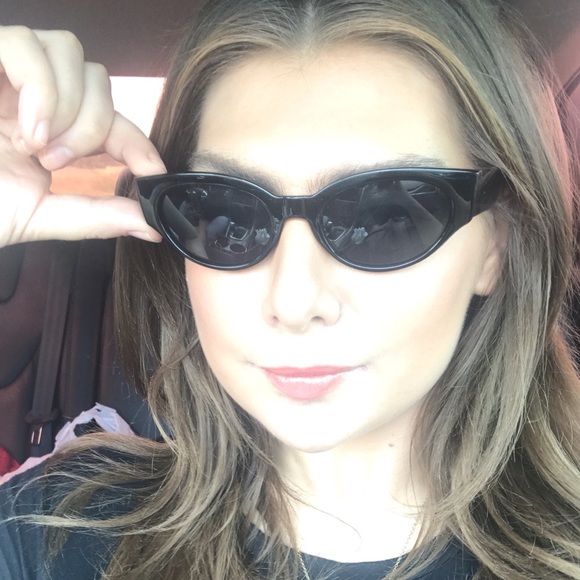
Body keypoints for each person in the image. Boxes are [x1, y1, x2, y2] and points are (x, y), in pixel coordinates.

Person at [1, 0, 580, 578]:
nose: (294, 302)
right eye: (227, 217)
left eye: (387, 219)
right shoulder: (49, 533)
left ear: (494, 247)